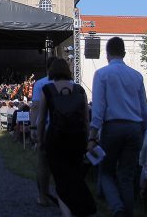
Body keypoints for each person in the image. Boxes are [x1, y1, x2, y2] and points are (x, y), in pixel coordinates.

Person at [88, 36, 147, 217]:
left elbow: (99, 108)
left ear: (107, 54)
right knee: (127, 175)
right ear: (124, 53)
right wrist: (143, 129)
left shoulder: (102, 74)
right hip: (135, 128)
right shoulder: (137, 76)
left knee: (106, 171)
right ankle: (127, 212)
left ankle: (117, 208)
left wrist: (92, 135)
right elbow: (144, 108)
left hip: (113, 127)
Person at [37, 58, 96, 217]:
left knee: (60, 179)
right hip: (77, 140)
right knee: (74, 177)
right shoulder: (80, 90)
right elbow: (85, 119)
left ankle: (67, 212)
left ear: (52, 71)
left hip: (55, 139)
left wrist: (40, 140)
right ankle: (78, 208)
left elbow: (41, 118)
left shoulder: (47, 89)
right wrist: (87, 140)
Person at [30, 56, 57, 207]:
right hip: (65, 130)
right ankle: (64, 198)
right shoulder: (73, 84)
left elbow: (35, 107)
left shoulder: (41, 83)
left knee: (43, 164)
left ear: (47, 68)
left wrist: (33, 128)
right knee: (63, 165)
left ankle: (43, 197)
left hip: (45, 129)